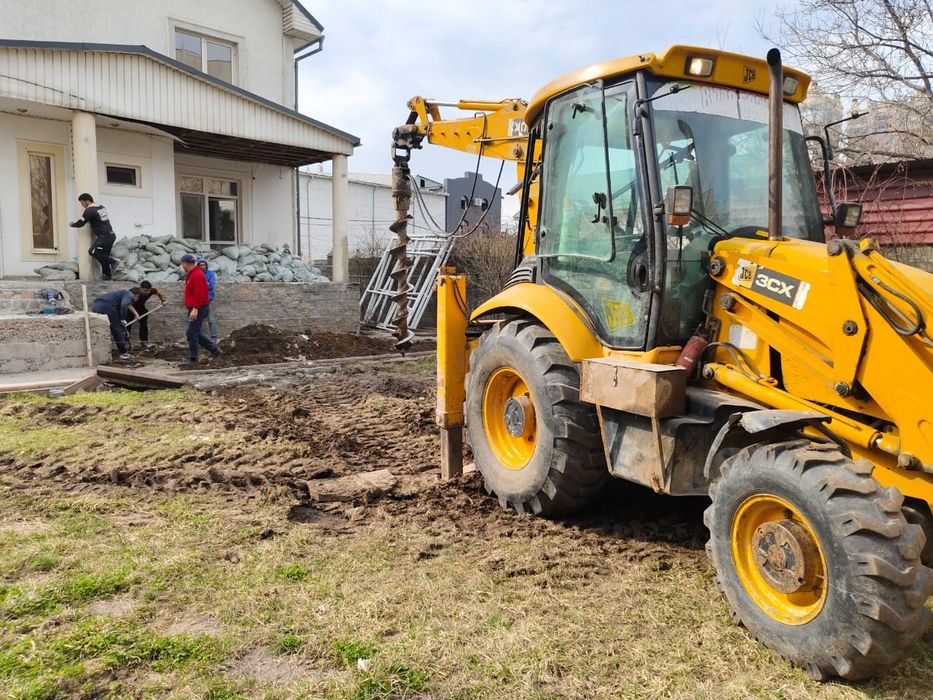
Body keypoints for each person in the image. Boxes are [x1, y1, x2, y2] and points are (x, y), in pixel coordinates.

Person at [179, 254, 221, 366]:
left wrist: (195, 309)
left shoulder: (197, 275)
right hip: (196, 307)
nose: (181, 266)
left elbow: (200, 294)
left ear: (185, 263)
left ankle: (193, 358)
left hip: (199, 308)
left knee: (191, 333)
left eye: (182, 264)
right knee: (195, 333)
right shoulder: (192, 274)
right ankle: (215, 351)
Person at [69, 194, 118, 280]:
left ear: (87, 201)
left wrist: (72, 224)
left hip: (104, 237)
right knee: (103, 256)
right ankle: (107, 276)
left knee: (93, 252)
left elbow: (81, 223)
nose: (82, 205)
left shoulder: (89, 211)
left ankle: (113, 262)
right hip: (111, 235)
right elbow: (97, 219)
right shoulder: (101, 207)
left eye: (82, 202)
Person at [90, 287, 142, 360]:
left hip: (96, 306)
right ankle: (124, 353)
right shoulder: (129, 294)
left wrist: (136, 314)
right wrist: (122, 319)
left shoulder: (122, 294)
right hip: (106, 306)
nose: (136, 300)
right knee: (118, 329)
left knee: (110, 327)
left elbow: (128, 304)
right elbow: (124, 305)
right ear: (137, 295)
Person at [126, 280, 166, 350]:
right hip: (130, 309)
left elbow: (158, 293)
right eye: (145, 291)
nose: (147, 293)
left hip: (141, 308)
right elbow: (128, 304)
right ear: (141, 288)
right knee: (128, 324)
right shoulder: (133, 292)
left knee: (144, 324)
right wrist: (135, 314)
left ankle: (144, 341)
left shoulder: (151, 291)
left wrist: (162, 300)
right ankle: (126, 343)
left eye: (148, 291)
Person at [196, 257, 218, 344]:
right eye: (201, 265)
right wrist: (205, 284)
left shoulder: (210, 274)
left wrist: (202, 285)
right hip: (198, 301)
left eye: (204, 265)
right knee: (198, 320)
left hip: (208, 300)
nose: (202, 266)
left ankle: (213, 338)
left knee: (211, 319)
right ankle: (200, 338)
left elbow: (211, 285)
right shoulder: (195, 274)